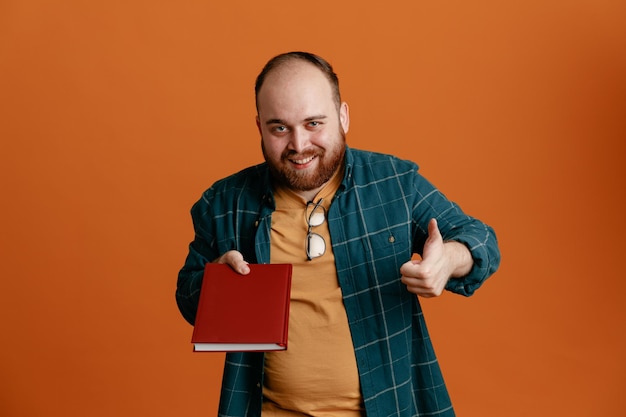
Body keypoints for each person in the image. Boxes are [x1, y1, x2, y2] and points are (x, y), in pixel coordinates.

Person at [176, 51, 500, 417]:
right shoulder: (224, 202)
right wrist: (216, 282)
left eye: (314, 123)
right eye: (279, 128)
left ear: (343, 116)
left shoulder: (393, 182)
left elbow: (480, 239)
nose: (299, 145)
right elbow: (188, 295)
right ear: (260, 128)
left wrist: (450, 259)